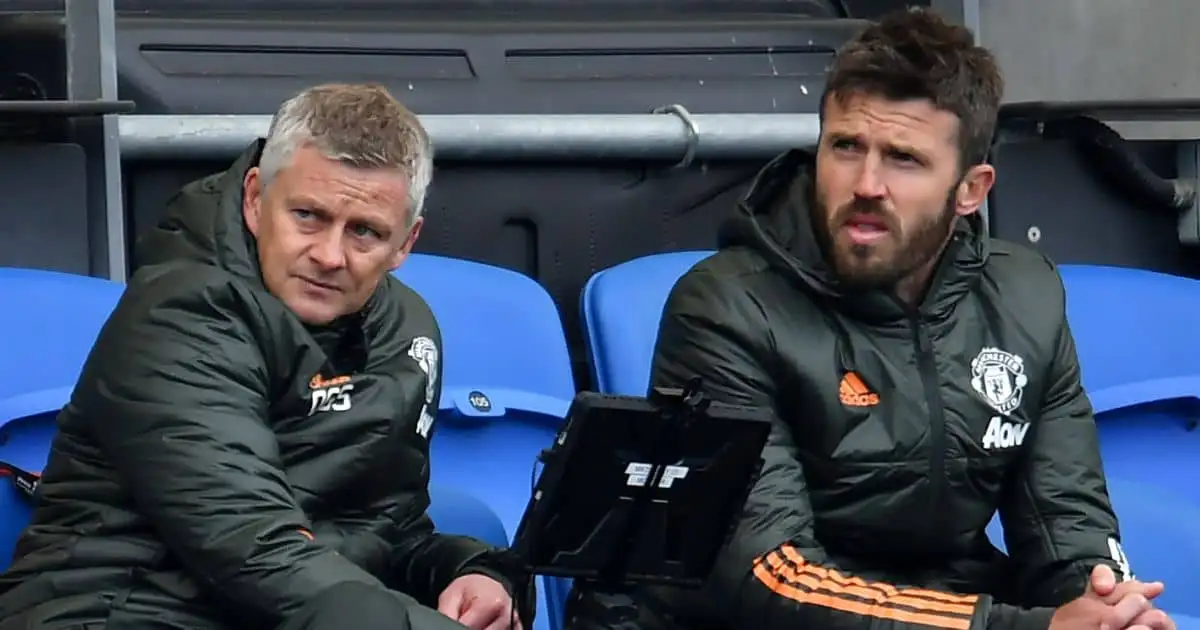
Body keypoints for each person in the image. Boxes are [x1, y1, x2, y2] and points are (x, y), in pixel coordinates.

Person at [567, 8, 1174, 630]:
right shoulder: (725, 307)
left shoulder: (1025, 296)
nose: (866, 183)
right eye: (846, 147)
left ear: (971, 189)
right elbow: (769, 581)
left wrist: (1102, 608)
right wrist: (1024, 628)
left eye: (904, 159)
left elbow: (1066, 521)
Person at [0, 84, 532, 630]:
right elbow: (256, 549)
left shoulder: (406, 329)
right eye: (307, 216)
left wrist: (470, 574)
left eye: (365, 233)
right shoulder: (178, 315)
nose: (329, 255)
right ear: (255, 199)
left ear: (405, 243)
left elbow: (383, 530)